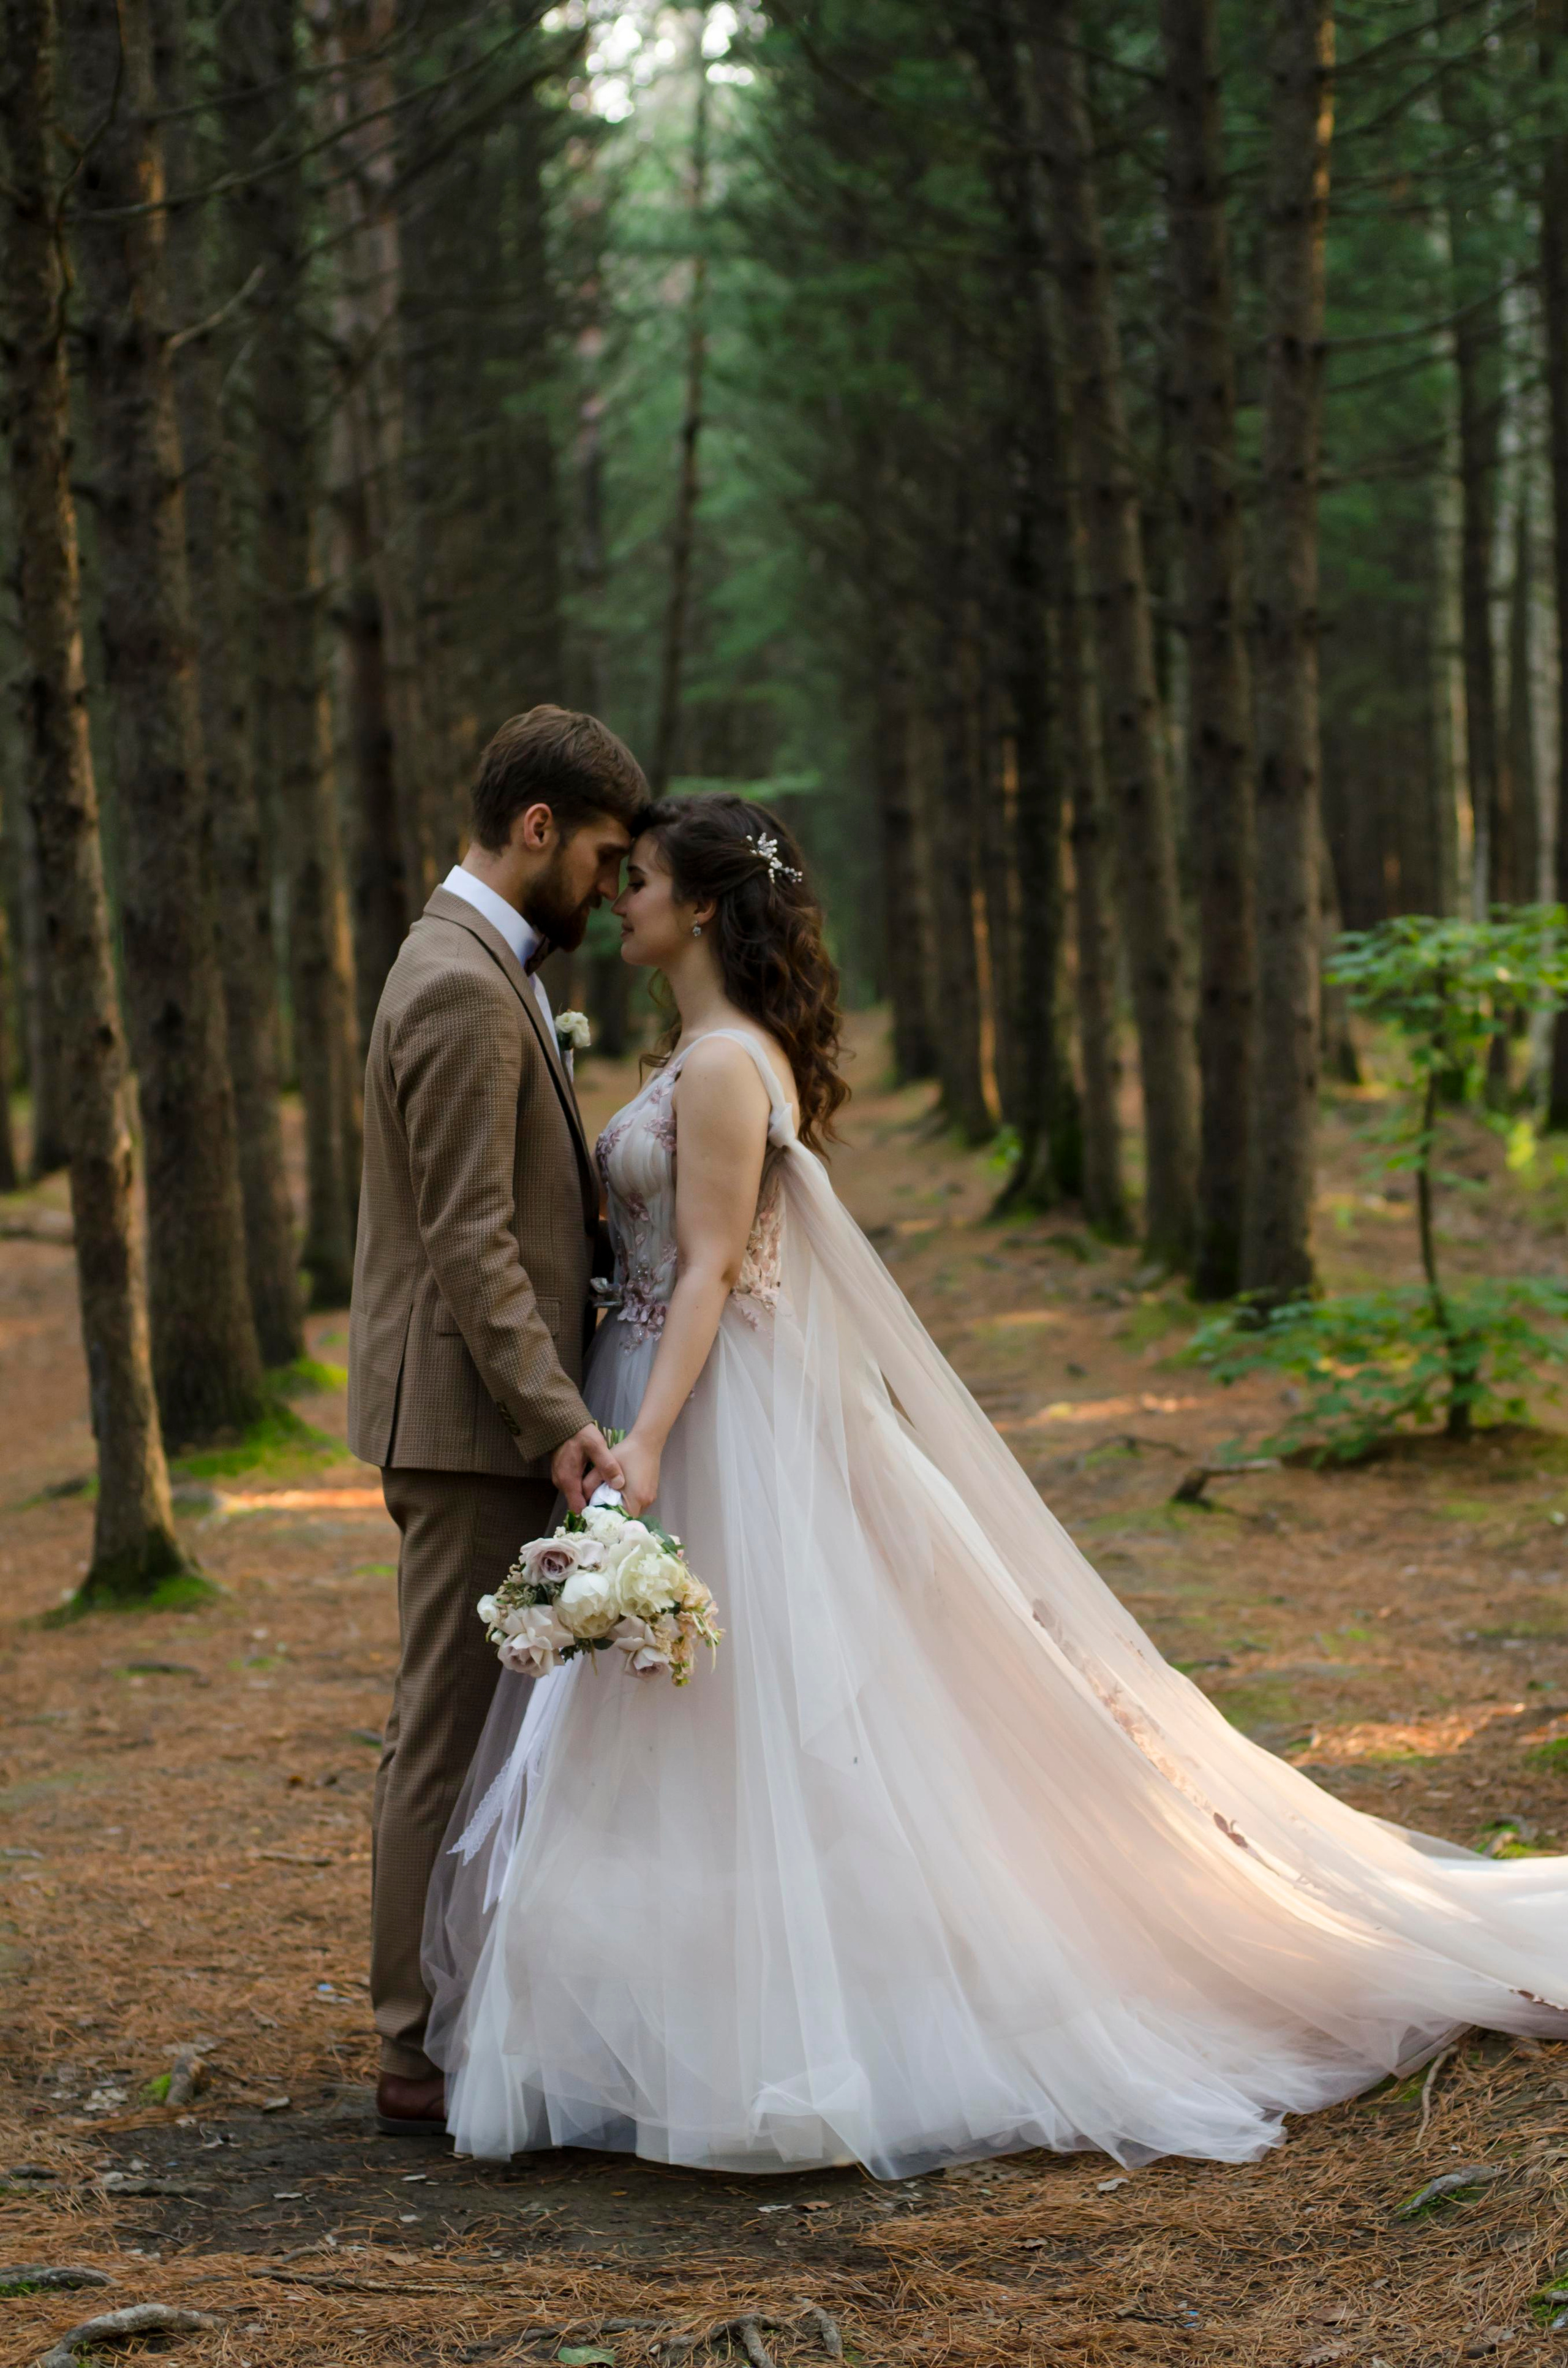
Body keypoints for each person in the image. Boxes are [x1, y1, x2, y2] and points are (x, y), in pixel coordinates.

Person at [423, 793, 1567, 2179]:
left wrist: (649, 1440)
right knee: (691, 1721)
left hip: (709, 1407)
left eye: (644, 878)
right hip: (663, 1385)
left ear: (706, 906)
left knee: (748, 1715)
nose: (621, 897)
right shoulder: (707, 1052)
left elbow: (714, 1265)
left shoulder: (727, 1066)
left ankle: (780, 2024)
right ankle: (686, 2012)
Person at [348, 705, 646, 2136]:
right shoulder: (462, 982)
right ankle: (410, 2044)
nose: (606, 885)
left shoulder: (479, 961)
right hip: (468, 1422)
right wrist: (554, 1419)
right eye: (596, 855)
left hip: (482, 1413)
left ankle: (457, 2008)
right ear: (536, 827)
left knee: (472, 1728)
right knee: (445, 1729)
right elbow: (470, 1239)